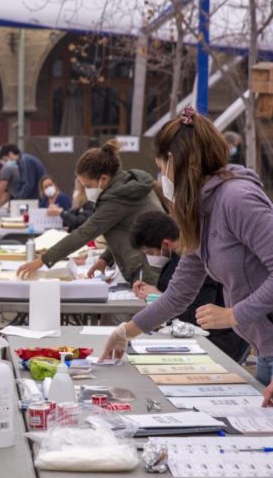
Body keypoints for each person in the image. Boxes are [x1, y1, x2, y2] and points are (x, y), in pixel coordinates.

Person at [100, 106, 273, 407]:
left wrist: (234, 314)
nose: (161, 178)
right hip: (264, 348)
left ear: (173, 161)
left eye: (160, 168)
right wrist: (126, 332)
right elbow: (178, 294)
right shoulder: (200, 211)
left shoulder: (237, 199)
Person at [17, 140, 163, 284]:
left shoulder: (117, 198)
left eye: (88, 185)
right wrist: (105, 259)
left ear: (104, 179)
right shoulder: (130, 186)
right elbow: (124, 229)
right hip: (154, 265)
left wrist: (43, 260)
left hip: (148, 271)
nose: (86, 190)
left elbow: (84, 233)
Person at [129, 211, 249, 361]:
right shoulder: (174, 261)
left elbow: (198, 313)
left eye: (150, 252)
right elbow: (172, 292)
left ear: (165, 244)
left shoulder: (194, 263)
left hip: (215, 342)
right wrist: (154, 292)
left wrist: (159, 298)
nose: (149, 257)